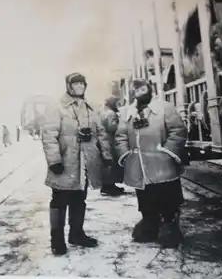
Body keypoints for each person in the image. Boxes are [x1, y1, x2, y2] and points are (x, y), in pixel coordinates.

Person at [41, 72, 113, 256]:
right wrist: (54, 160)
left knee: (79, 199)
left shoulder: (90, 108)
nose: (79, 87)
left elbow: (101, 133)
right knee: (59, 200)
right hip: (65, 162)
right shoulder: (57, 107)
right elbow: (49, 135)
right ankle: (57, 240)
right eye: (75, 84)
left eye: (82, 84)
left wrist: (106, 155)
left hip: (85, 163)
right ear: (68, 86)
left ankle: (76, 234)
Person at [115, 78, 187, 249]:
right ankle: (149, 223)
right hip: (139, 164)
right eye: (136, 90)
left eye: (143, 88)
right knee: (146, 197)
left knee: (168, 196)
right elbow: (121, 135)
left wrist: (167, 151)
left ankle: (170, 227)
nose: (140, 92)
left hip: (163, 163)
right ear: (133, 93)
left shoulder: (165, 107)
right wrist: (126, 154)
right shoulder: (127, 112)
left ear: (150, 89)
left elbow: (178, 130)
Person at [99, 96, 125, 196]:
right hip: (110, 141)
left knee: (106, 164)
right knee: (112, 164)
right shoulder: (111, 113)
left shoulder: (102, 112)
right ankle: (109, 186)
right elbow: (112, 127)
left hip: (103, 141)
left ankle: (108, 185)